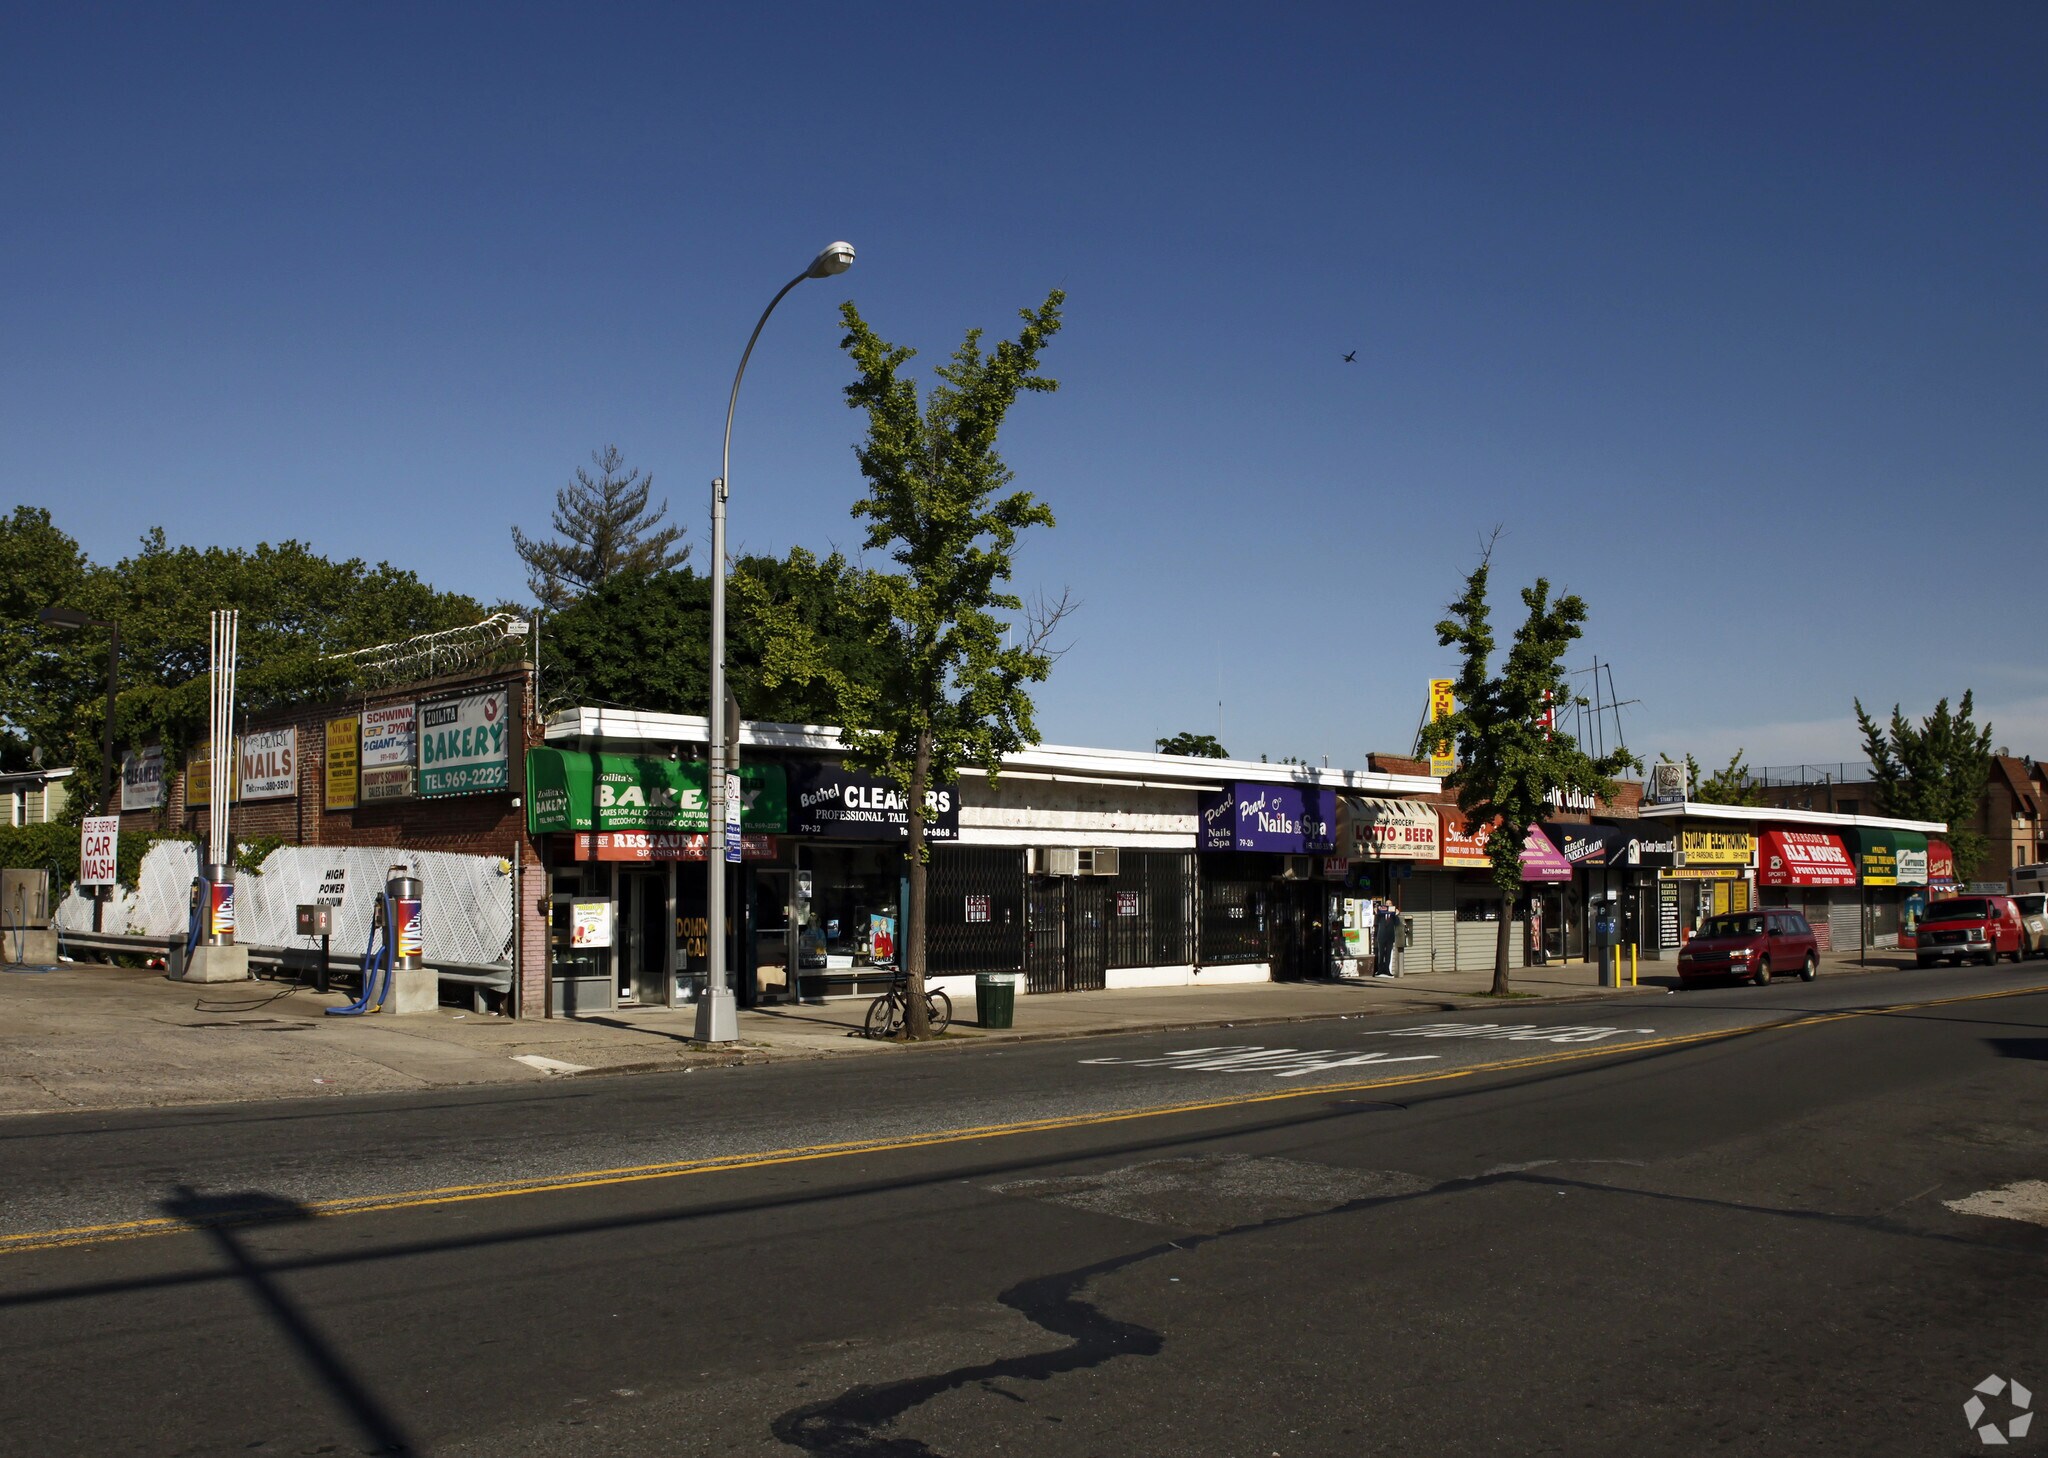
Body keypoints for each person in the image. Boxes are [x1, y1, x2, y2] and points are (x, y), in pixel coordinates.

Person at [1373, 898, 1401, 978]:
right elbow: (1376, 922)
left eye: (1389, 903)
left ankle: (1387, 970)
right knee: (1381, 953)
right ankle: (1380, 970)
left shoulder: (1393, 915)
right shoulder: (1381, 914)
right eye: (1387, 903)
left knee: (1388, 954)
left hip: (1390, 937)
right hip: (1381, 936)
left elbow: (1397, 923)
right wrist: (1376, 913)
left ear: (1392, 905)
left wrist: (1396, 914)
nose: (1388, 905)